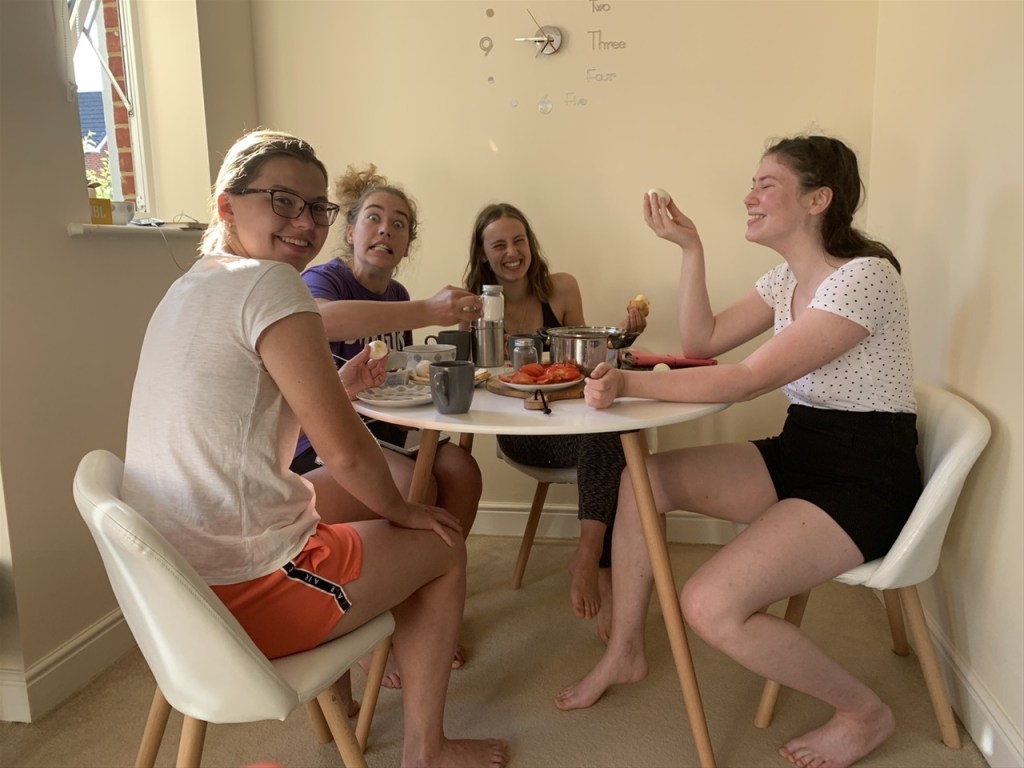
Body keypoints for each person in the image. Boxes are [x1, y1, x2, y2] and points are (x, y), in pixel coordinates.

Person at [122, 130, 510, 768]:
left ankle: (376, 662)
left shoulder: (192, 285)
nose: (305, 222)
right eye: (282, 201)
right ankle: (425, 748)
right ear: (226, 206)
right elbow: (349, 454)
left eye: (316, 207)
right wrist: (406, 511)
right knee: (441, 539)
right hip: (236, 601)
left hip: (173, 592)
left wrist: (340, 387)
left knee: (391, 498)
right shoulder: (274, 285)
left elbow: (247, 403)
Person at [556, 135, 920, 768]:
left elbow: (747, 379)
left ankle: (865, 712)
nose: (749, 196)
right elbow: (702, 342)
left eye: (766, 184)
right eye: (753, 183)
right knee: (643, 483)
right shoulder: (787, 279)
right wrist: (690, 248)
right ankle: (625, 650)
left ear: (818, 199)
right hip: (804, 447)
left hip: (864, 477)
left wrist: (629, 385)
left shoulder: (865, 277)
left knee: (709, 606)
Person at [294, 164, 483, 685]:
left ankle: (426, 606)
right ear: (351, 229)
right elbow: (318, 320)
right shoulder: (324, 280)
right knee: (408, 486)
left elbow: (399, 375)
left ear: (407, 244)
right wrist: (426, 311)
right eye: (373, 218)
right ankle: (374, 627)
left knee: (461, 471)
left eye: (399, 224)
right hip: (319, 445)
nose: (385, 230)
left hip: (383, 434)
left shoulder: (397, 295)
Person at [463, 202, 648, 641]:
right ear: (483, 253)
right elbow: (479, 383)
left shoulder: (562, 288)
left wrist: (623, 333)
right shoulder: (474, 306)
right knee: (613, 440)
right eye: (499, 245)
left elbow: (586, 360)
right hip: (524, 435)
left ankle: (589, 554)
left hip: (577, 425)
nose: (513, 252)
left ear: (531, 243)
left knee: (612, 431)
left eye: (519, 240)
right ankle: (601, 570)